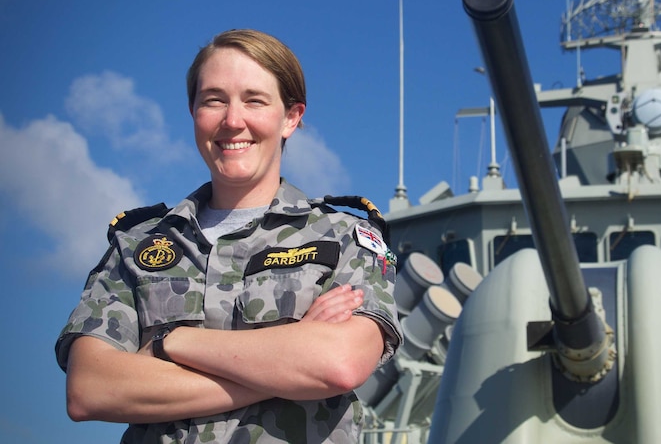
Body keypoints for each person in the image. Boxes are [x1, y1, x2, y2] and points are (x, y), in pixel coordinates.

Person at [55, 28, 403, 443]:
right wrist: (290, 362)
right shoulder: (137, 246)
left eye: (254, 100)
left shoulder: (345, 238)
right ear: (194, 111)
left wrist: (170, 343)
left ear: (291, 117)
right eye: (214, 100)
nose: (232, 120)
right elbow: (90, 390)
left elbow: (339, 364)